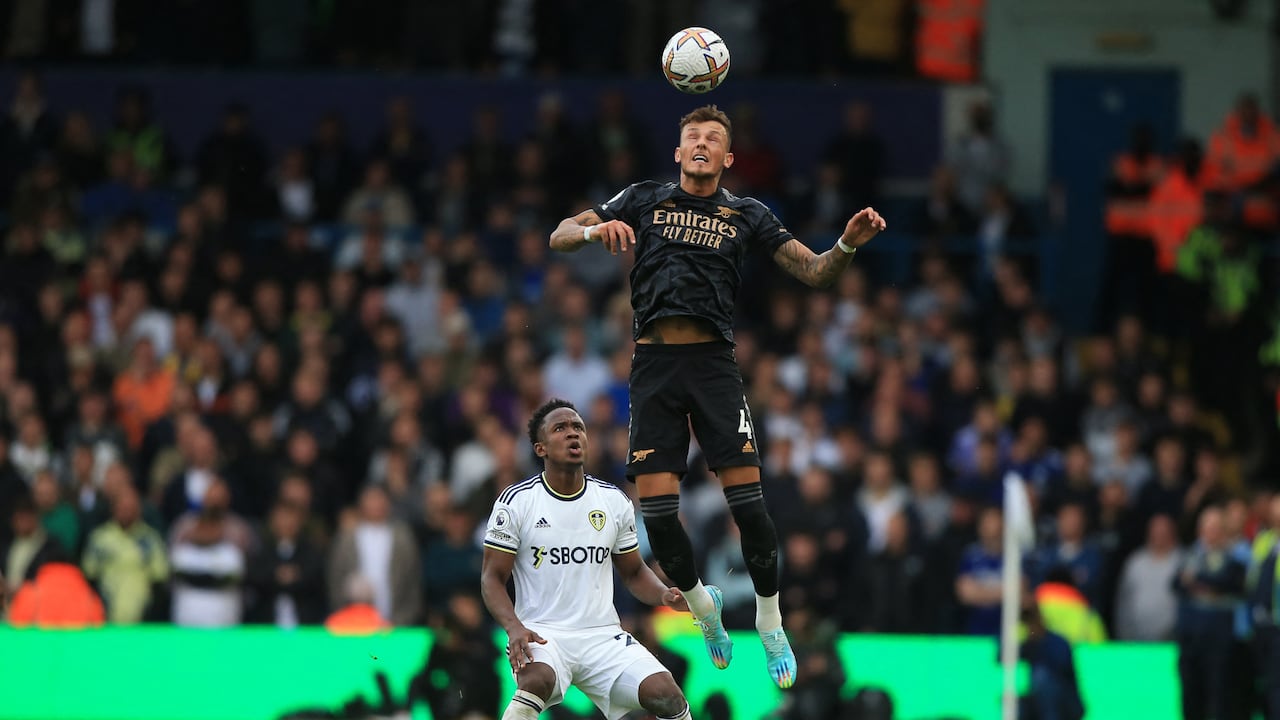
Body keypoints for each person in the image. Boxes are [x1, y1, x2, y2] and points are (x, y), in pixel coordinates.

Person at [549, 104, 886, 687]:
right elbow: (559, 236)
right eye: (692, 136)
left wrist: (847, 245)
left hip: (713, 368)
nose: (701, 143)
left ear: (728, 157)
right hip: (654, 367)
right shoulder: (643, 198)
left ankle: (770, 620)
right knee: (659, 519)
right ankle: (704, 607)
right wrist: (592, 230)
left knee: (750, 509)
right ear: (678, 152)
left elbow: (815, 272)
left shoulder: (746, 213)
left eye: (713, 138)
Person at [480, 399, 695, 720]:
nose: (572, 433)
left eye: (578, 427)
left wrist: (664, 595)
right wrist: (514, 627)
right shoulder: (517, 501)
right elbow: (491, 578)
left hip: (602, 636)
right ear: (540, 448)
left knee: (668, 695)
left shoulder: (613, 500)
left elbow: (634, 572)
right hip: (542, 634)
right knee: (536, 681)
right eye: (560, 428)